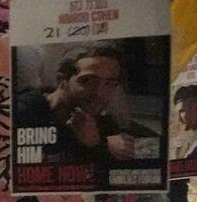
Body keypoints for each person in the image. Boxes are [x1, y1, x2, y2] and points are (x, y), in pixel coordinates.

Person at [11, 46, 139, 188]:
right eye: (88, 81)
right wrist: (101, 146)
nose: (99, 93)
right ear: (61, 80)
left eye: (110, 84)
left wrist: (97, 146)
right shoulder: (19, 113)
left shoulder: (104, 125)